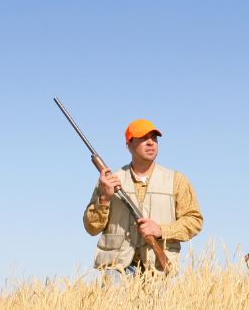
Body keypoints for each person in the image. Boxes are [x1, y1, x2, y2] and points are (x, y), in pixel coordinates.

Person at [83, 118, 203, 275]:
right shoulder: (109, 181)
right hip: (116, 267)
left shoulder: (176, 180)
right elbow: (91, 228)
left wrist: (160, 230)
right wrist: (105, 198)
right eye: (143, 138)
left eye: (154, 138)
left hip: (158, 269)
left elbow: (194, 221)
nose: (151, 143)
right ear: (129, 145)